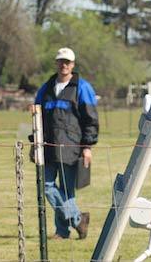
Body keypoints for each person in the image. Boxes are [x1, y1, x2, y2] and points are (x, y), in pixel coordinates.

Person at [35, 47, 99, 240]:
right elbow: (36, 116)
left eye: (67, 62)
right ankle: (78, 219)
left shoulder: (82, 87)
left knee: (66, 191)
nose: (64, 65)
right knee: (46, 186)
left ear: (73, 64)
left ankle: (62, 232)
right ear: (56, 63)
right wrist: (34, 142)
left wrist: (87, 146)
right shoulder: (45, 88)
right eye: (61, 61)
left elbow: (91, 119)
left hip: (71, 148)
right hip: (47, 146)